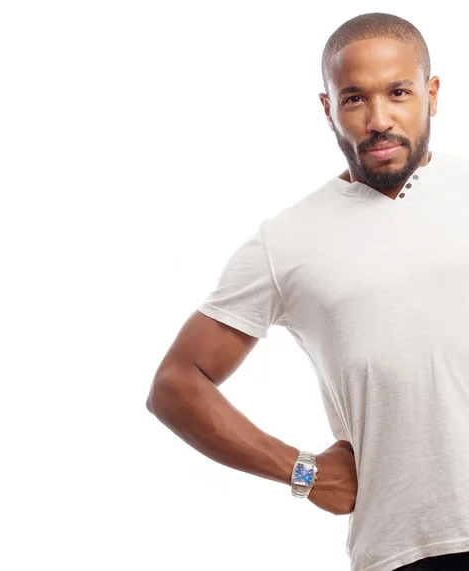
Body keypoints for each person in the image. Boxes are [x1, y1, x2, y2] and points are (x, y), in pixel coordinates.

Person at [145, 11, 469, 571]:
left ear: (431, 94)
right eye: (354, 98)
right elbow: (176, 386)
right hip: (408, 549)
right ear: (328, 109)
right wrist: (303, 471)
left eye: (398, 93)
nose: (378, 119)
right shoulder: (288, 241)